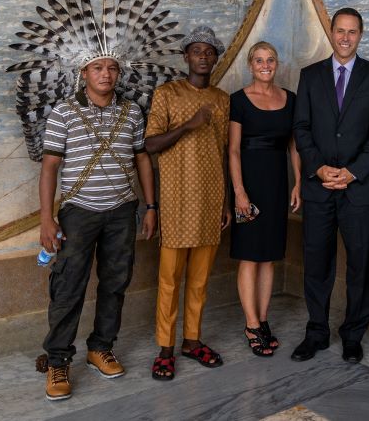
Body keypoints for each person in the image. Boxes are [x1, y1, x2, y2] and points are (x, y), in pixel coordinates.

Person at [38, 56, 158, 402]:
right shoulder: (63, 113)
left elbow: (141, 159)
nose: (106, 75)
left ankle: (101, 347)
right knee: (68, 286)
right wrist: (48, 218)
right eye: (97, 68)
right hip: (78, 212)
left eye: (112, 69)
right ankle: (58, 361)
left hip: (122, 211)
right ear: (84, 73)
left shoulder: (132, 112)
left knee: (116, 282)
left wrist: (150, 206)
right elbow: (49, 168)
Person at [290, 7, 369, 364]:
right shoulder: (310, 76)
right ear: (330, 32)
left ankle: (353, 335)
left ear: (360, 35)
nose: (345, 37)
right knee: (317, 263)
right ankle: (316, 332)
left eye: (352, 32)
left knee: (358, 265)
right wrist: (318, 169)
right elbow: (301, 128)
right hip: (319, 188)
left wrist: (352, 172)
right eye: (340, 31)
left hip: (358, 190)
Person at [144, 25, 231, 381]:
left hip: (210, 201)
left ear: (215, 57)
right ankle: (165, 347)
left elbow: (223, 151)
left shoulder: (223, 99)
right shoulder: (167, 94)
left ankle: (192, 341)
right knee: (170, 279)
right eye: (197, 51)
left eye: (210, 52)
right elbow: (150, 146)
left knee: (199, 281)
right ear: (186, 56)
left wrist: (225, 200)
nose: (204, 57)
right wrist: (189, 125)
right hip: (177, 201)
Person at [228, 41, 302, 357]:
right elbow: (232, 150)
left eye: (270, 59)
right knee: (249, 255)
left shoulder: (291, 99)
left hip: (276, 182)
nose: (265, 65)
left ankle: (263, 319)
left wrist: (298, 183)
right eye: (259, 60)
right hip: (249, 184)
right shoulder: (238, 100)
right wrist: (239, 192)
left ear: (277, 63)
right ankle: (250, 324)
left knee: (269, 256)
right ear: (250, 64)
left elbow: (294, 147)